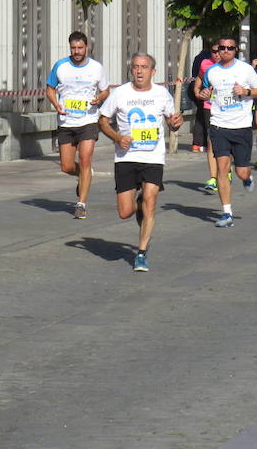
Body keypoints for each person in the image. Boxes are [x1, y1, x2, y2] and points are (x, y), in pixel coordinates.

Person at [99, 53, 183, 272]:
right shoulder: (120, 93)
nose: (139, 71)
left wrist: (176, 123)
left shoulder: (161, 93)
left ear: (153, 71)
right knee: (124, 212)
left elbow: (172, 123)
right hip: (126, 157)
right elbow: (103, 121)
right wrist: (117, 138)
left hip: (153, 157)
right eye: (135, 67)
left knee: (150, 199)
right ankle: (139, 208)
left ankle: (142, 253)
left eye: (144, 67)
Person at [198, 35, 257, 228]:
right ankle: (226, 212)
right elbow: (202, 90)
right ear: (217, 50)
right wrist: (202, 94)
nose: (226, 50)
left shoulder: (245, 70)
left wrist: (246, 92)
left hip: (242, 126)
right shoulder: (211, 71)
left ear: (236, 50)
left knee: (241, 171)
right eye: (222, 48)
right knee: (222, 169)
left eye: (230, 48)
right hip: (219, 126)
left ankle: (247, 177)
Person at [45, 31, 110, 219]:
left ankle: (81, 203)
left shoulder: (96, 68)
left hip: (88, 120)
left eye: (80, 48)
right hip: (66, 121)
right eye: (73, 48)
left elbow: (105, 90)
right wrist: (55, 103)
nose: (77, 51)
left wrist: (99, 98)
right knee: (66, 166)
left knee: (85, 159)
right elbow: (50, 89)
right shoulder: (60, 66)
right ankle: (83, 175)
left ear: (86, 47)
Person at [192, 45, 224, 192]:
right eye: (214, 51)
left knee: (224, 142)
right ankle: (213, 177)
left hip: (227, 110)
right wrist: (198, 94)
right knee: (211, 141)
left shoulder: (233, 66)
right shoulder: (205, 64)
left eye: (220, 51)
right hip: (209, 107)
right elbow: (198, 81)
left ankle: (224, 171)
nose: (217, 54)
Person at [189, 43, 213, 152]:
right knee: (205, 117)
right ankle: (205, 143)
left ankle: (197, 144)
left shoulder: (198, 57)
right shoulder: (207, 61)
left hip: (196, 88)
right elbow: (200, 75)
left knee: (200, 116)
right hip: (204, 90)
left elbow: (195, 74)